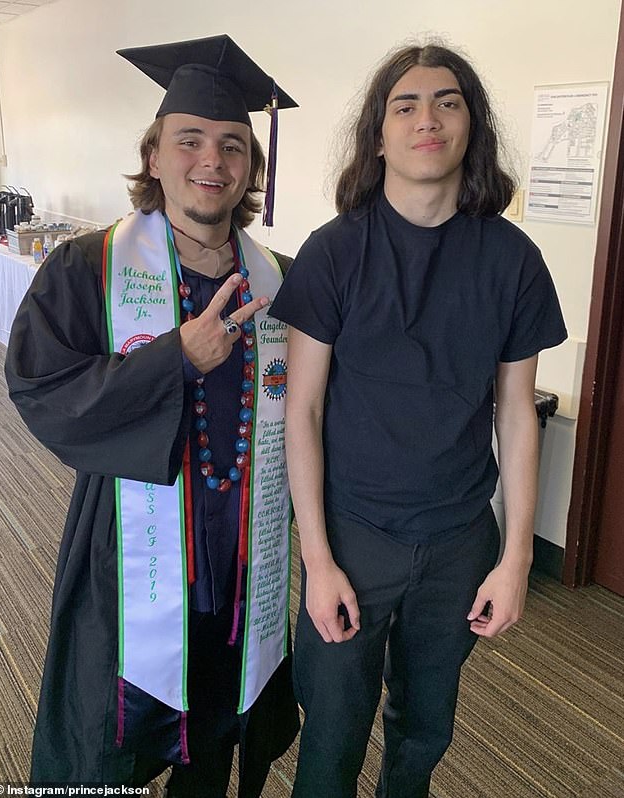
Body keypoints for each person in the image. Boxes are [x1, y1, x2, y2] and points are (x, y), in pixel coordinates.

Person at [269, 42, 567, 798]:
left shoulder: (514, 261)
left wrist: (518, 559)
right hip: (353, 537)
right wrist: (319, 560)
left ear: (473, 126)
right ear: (378, 134)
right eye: (405, 105)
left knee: (425, 729)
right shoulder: (333, 254)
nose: (426, 119)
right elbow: (299, 410)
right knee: (331, 733)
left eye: (447, 102)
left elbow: (516, 414)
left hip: (461, 540)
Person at [5, 34, 299, 796]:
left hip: (245, 557)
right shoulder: (88, 267)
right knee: (109, 746)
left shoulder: (281, 283)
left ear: (250, 169)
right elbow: (40, 385)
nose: (213, 161)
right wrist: (175, 357)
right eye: (190, 140)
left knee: (213, 740)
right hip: (128, 554)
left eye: (233, 146)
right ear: (156, 155)